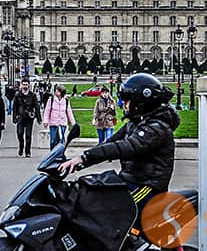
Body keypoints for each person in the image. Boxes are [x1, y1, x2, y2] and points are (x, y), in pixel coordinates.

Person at [59, 73, 180, 231]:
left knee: (111, 211)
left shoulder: (156, 127)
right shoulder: (137, 122)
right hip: (130, 180)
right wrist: (79, 161)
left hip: (147, 186)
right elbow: (111, 143)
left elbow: (127, 146)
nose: (123, 105)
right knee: (91, 191)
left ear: (140, 102)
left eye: (127, 100)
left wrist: (85, 158)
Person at [12, 79, 42, 157]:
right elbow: (14, 107)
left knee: (28, 135)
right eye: (24, 84)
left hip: (29, 118)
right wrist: (14, 117)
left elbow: (36, 107)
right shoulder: (17, 95)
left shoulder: (32, 95)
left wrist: (39, 118)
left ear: (29, 85)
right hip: (20, 117)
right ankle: (21, 146)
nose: (25, 86)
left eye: (26, 84)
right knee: (19, 133)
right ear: (21, 85)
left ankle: (28, 151)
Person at [42, 84, 76, 149]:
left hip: (62, 123)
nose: (56, 92)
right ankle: (52, 153)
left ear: (61, 92)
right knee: (53, 141)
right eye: (56, 91)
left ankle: (59, 154)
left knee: (61, 140)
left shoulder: (66, 101)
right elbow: (47, 111)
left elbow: (69, 112)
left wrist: (73, 123)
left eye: (58, 91)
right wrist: (45, 121)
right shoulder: (51, 100)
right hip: (53, 123)